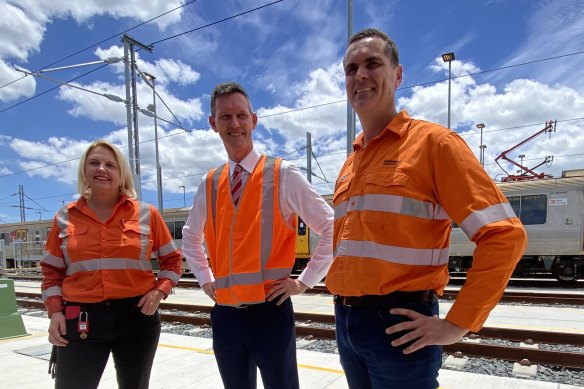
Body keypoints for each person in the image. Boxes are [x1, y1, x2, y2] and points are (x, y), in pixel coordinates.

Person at [326, 28, 528, 389]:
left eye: (373, 63)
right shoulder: (350, 164)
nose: (360, 75)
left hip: (400, 324)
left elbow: (504, 236)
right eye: (351, 68)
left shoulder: (435, 144)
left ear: (398, 74)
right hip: (346, 321)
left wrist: (457, 324)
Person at [182, 82, 334, 389]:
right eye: (225, 117)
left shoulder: (283, 174)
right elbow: (189, 237)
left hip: (270, 313)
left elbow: (333, 228)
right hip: (225, 317)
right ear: (213, 124)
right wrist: (205, 279)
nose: (234, 124)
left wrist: (304, 282)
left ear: (254, 119)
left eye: (241, 115)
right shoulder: (209, 183)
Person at [40, 139, 182, 389]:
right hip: (82, 317)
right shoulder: (64, 218)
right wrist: (55, 312)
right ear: (84, 170)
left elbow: (172, 260)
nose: (102, 169)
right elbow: (52, 272)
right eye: (94, 163)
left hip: (137, 316)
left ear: (122, 173)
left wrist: (160, 291)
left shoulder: (147, 214)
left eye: (110, 164)